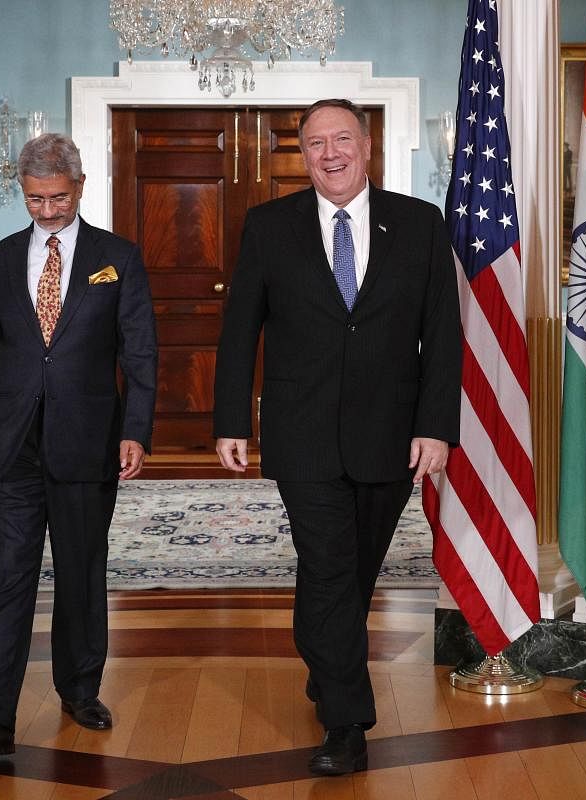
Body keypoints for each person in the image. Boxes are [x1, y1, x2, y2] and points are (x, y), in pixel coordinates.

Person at [213, 99, 461, 776]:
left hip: (391, 432)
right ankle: (346, 724)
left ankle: (326, 665)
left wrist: (437, 427)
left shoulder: (419, 223)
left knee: (352, 576)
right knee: (326, 568)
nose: (329, 153)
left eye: (341, 139)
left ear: (367, 144)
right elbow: (240, 331)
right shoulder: (268, 226)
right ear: (304, 154)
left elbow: (442, 334)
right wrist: (232, 420)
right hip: (304, 433)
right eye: (315, 143)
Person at [0, 133, 158, 758]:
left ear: (79, 187)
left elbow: (141, 352)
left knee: (80, 572)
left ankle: (78, 689)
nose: (46, 211)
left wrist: (136, 431)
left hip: (88, 440)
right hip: (12, 444)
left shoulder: (118, 258)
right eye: (34, 199)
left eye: (58, 198)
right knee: (10, 575)